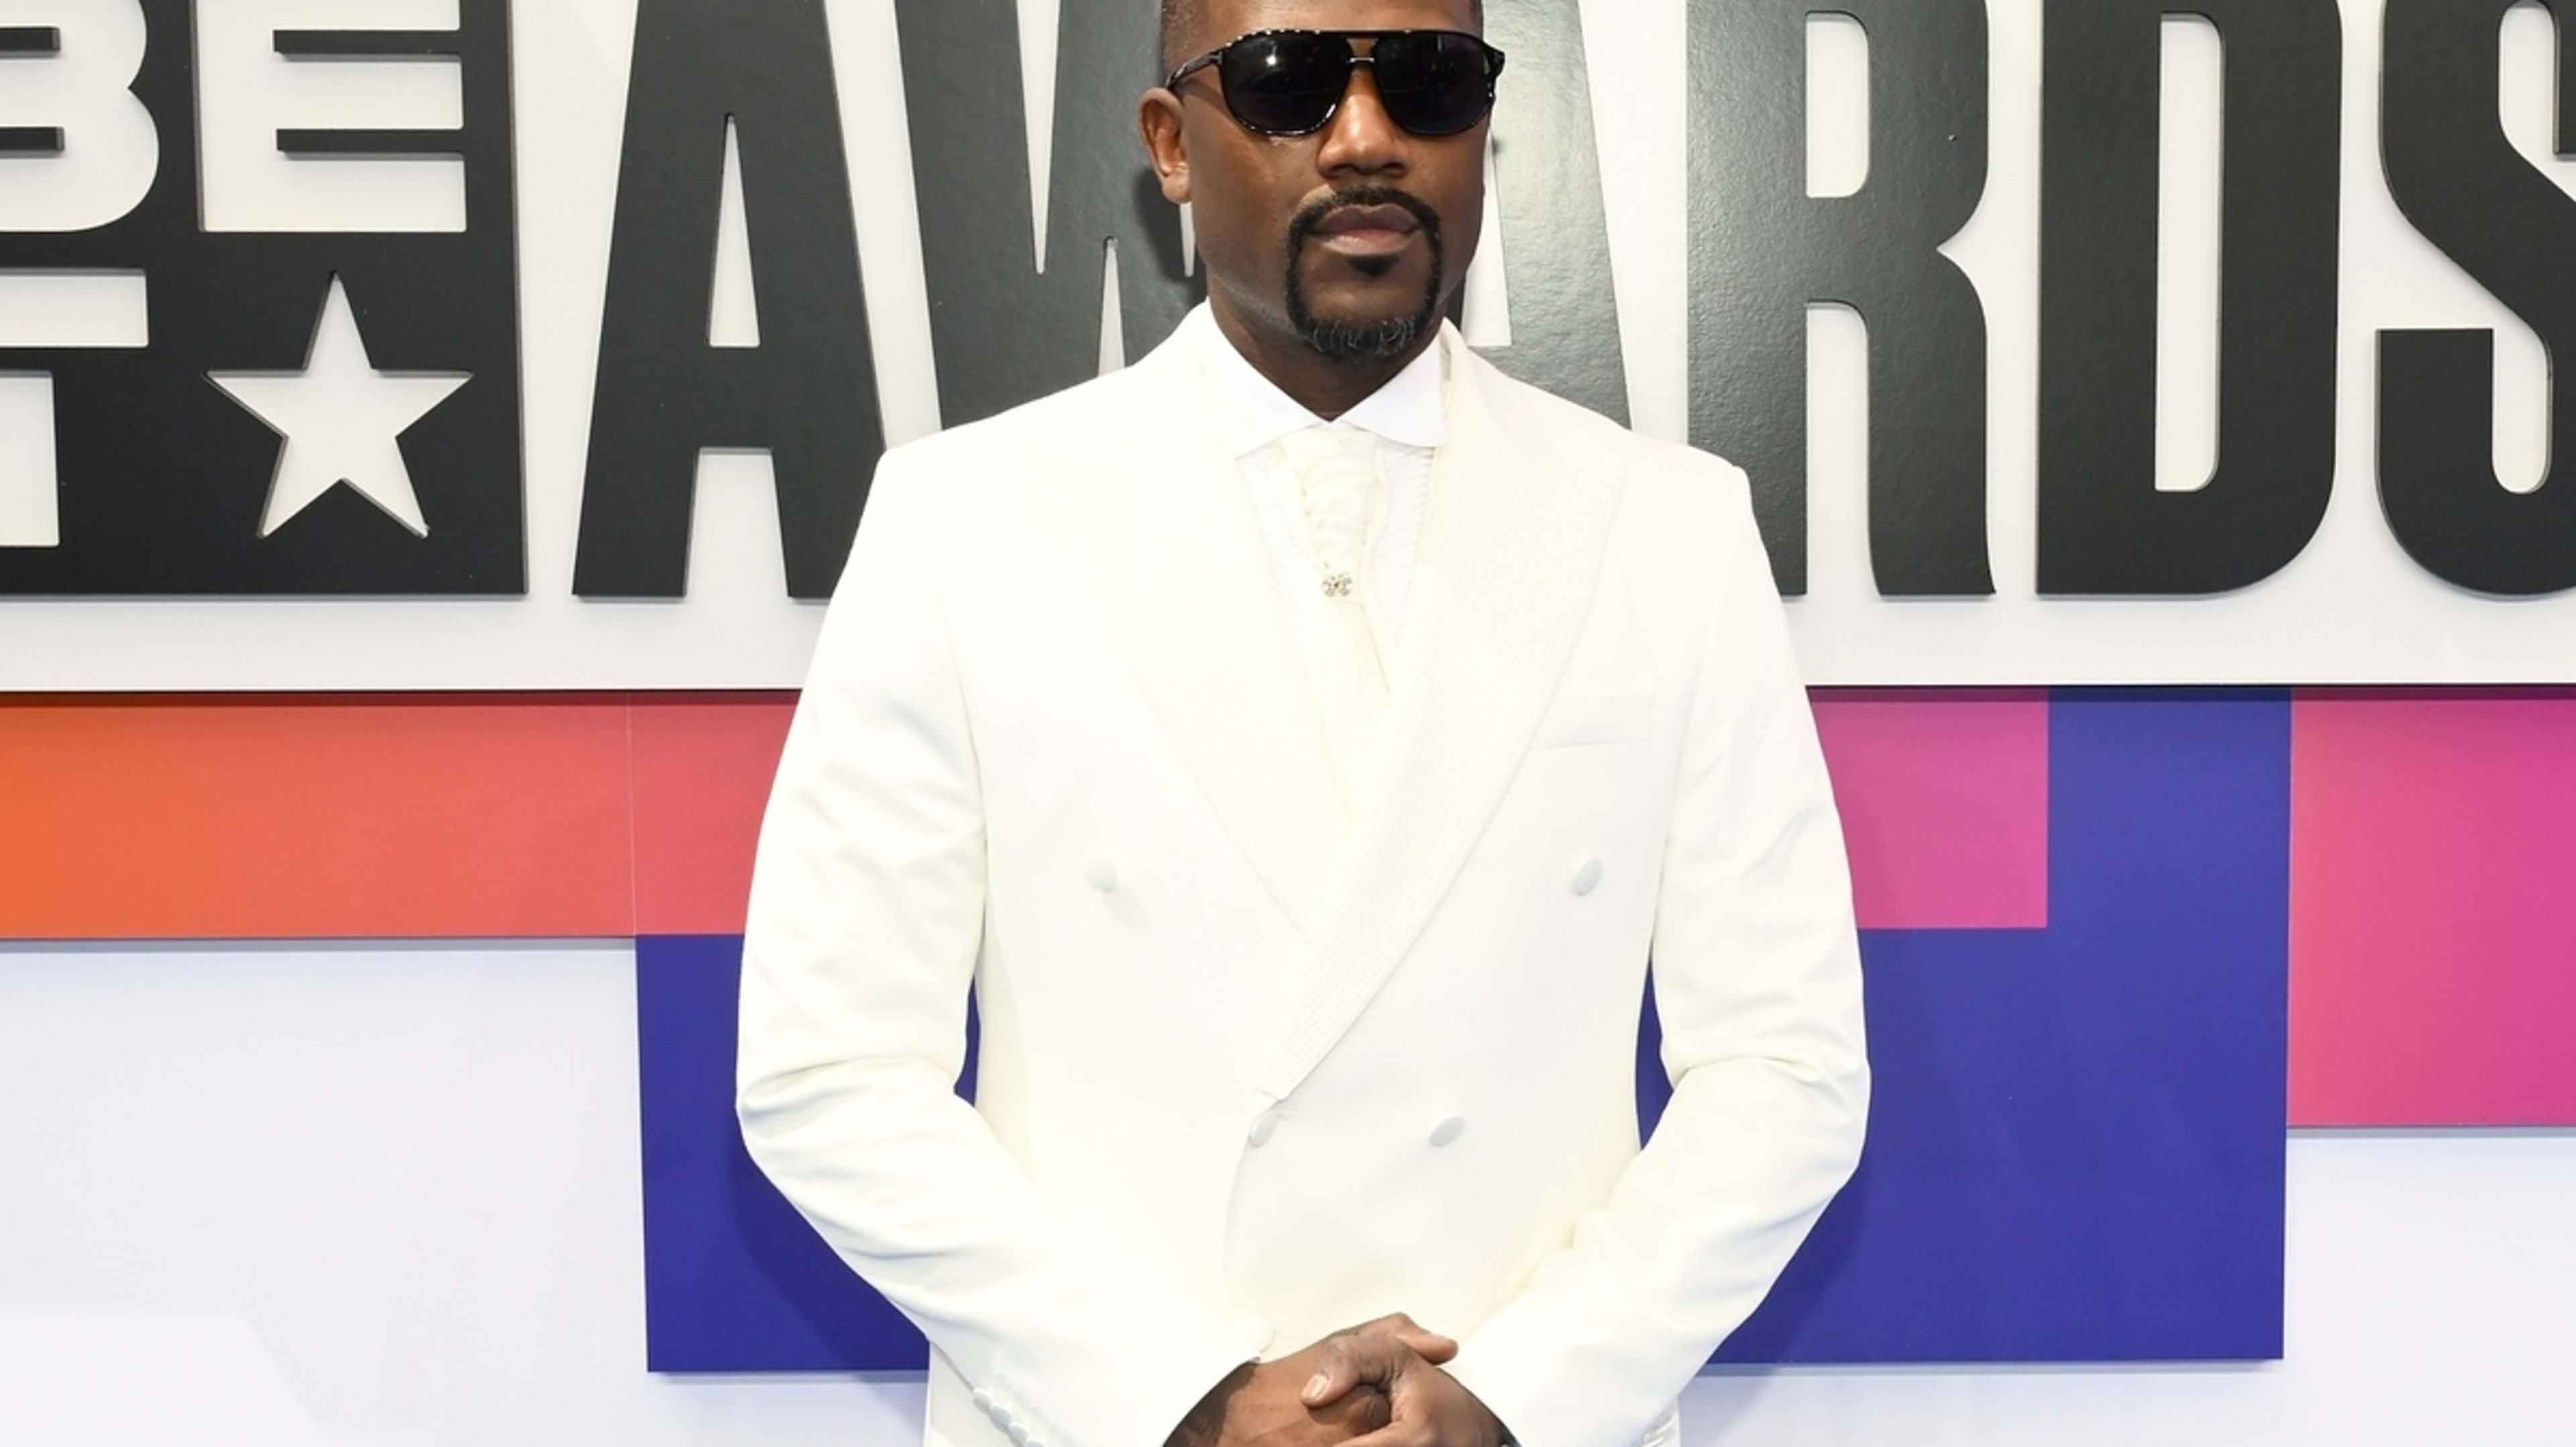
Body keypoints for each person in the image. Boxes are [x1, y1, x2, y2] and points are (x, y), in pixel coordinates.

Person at [735, 1, 1870, 1445]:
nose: (1369, 138)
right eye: (1285, 86)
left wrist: (1522, 1395)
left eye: (1428, 81)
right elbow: (828, 1067)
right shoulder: (963, 524)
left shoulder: (1672, 528)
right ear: (1171, 143)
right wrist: (1180, 1399)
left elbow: (1784, 1063)